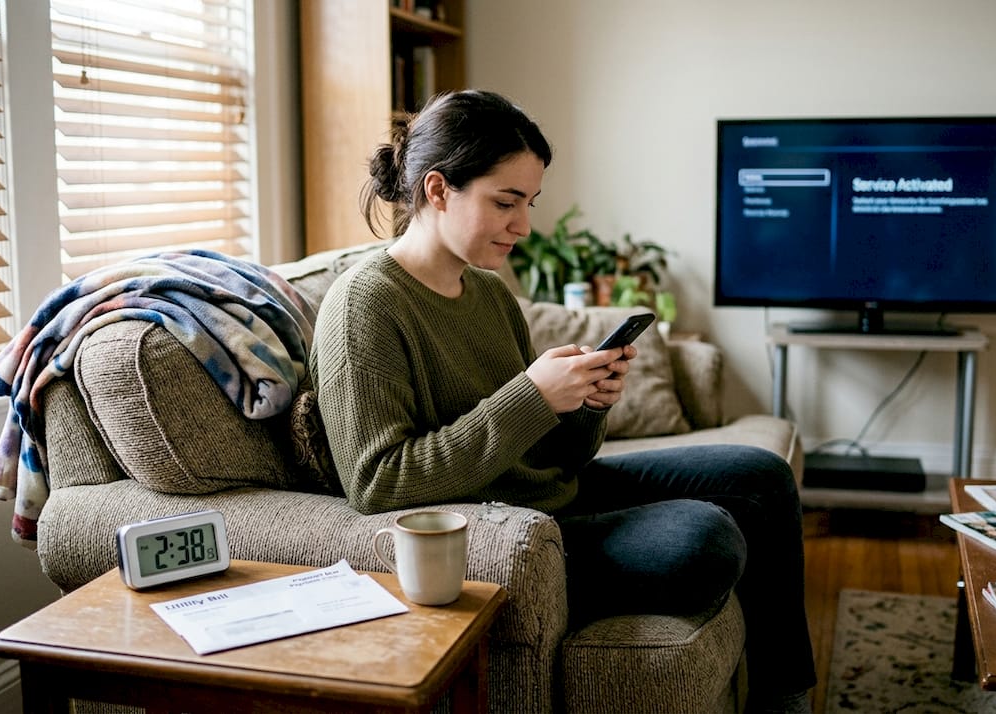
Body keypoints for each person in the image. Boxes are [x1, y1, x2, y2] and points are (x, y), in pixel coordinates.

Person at [307, 89, 815, 713]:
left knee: (760, 476)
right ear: (437, 191)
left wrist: (587, 403)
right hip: (507, 531)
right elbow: (378, 483)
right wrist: (530, 396)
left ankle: (785, 701)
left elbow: (557, 456)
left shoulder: (490, 296)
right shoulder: (364, 305)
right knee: (704, 539)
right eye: (505, 202)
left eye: (529, 203)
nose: (524, 226)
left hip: (550, 492)